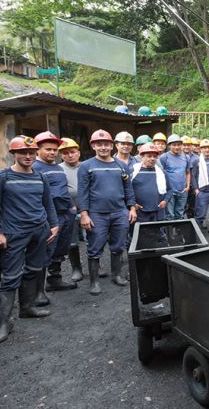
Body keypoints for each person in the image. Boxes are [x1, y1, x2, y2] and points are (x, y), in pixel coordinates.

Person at [0, 136, 59, 344]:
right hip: (14, 233)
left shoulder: (40, 177)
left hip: (39, 231)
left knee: (34, 270)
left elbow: (48, 203)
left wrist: (54, 224)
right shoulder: (1, 177)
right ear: (13, 154)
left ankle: (27, 308)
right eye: (23, 153)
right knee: (10, 277)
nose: (28, 156)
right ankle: (4, 323)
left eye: (31, 153)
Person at [78, 129, 137, 295]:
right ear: (93, 146)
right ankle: (94, 281)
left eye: (106, 144)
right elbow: (83, 192)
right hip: (97, 213)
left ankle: (116, 275)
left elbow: (128, 189)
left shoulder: (121, 165)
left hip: (119, 212)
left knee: (118, 245)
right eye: (99, 144)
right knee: (95, 246)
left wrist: (131, 207)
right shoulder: (86, 166)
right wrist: (84, 214)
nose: (103, 147)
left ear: (112, 146)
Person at [33, 131, 77, 301]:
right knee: (45, 251)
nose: (52, 152)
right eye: (47, 149)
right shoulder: (35, 168)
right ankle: (38, 292)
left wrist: (72, 207)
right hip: (50, 217)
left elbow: (62, 189)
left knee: (61, 249)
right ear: (38, 150)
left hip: (66, 214)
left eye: (54, 149)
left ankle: (54, 280)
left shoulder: (57, 167)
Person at [58, 137, 84, 281]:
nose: (70, 155)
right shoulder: (59, 169)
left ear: (78, 153)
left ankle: (97, 265)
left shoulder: (86, 166)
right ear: (61, 155)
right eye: (65, 153)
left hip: (88, 207)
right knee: (71, 241)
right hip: (68, 209)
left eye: (72, 152)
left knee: (92, 238)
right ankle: (76, 268)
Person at [130, 144, 171, 224]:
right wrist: (132, 204)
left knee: (158, 235)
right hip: (140, 213)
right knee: (140, 235)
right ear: (142, 156)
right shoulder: (133, 172)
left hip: (158, 213)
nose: (152, 159)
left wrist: (165, 201)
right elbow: (126, 190)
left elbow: (169, 189)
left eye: (155, 156)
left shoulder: (162, 173)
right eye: (149, 156)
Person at [159, 135, 191, 221]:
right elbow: (160, 174)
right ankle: (170, 234)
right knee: (170, 215)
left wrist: (188, 186)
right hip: (170, 192)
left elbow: (187, 172)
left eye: (178, 144)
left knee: (180, 213)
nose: (176, 147)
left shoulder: (186, 157)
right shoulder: (164, 157)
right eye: (174, 145)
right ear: (169, 146)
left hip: (183, 191)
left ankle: (178, 232)